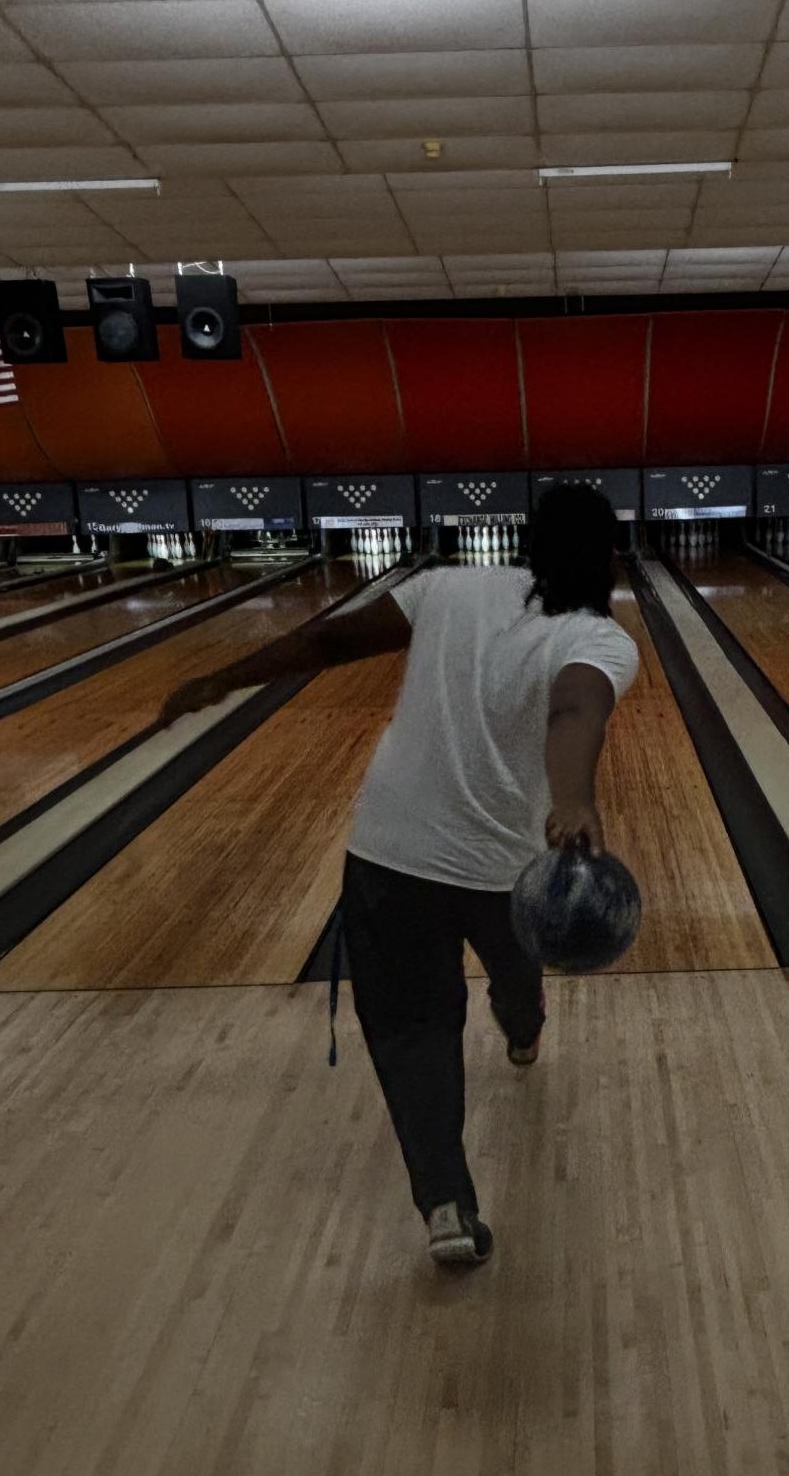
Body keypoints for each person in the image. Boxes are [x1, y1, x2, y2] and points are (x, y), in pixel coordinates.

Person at [157, 483, 638, 1267]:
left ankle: (445, 1202)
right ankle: (523, 1029)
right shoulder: (602, 640)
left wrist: (222, 677)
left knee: (414, 1029)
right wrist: (574, 797)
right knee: (518, 971)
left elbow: (322, 644)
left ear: (525, 541)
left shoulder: (442, 587)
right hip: (504, 872)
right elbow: (574, 710)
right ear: (610, 556)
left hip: (390, 857)